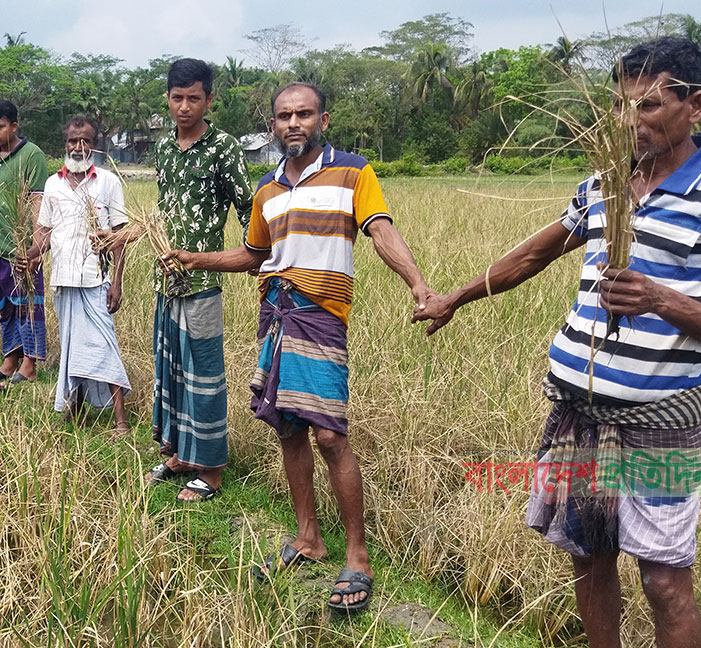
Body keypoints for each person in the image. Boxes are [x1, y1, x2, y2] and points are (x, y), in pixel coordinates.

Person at [415, 37, 701, 648]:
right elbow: (536, 252)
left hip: (658, 419)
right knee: (588, 556)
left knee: (665, 580)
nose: (628, 122)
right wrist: (455, 297)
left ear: (696, 106)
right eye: (620, 106)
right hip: (577, 406)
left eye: (647, 107)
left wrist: (661, 300)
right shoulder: (603, 184)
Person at [162, 82, 433, 612]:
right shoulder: (267, 190)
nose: (293, 123)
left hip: (320, 317)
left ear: (323, 120)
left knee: (330, 436)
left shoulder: (354, 172)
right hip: (276, 314)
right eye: (284, 115)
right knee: (288, 428)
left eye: (303, 114)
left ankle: (357, 556)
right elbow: (251, 255)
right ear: (272, 125)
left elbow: (382, 232)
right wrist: (195, 259)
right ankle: (308, 538)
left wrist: (418, 284)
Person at [145, 58, 254, 502]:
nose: (185, 107)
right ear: (167, 100)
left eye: (194, 98)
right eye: (177, 98)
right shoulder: (164, 149)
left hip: (202, 283)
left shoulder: (223, 147)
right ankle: (179, 454)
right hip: (165, 281)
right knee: (170, 371)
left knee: (204, 375)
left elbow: (250, 212)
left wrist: (247, 260)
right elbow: (163, 210)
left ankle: (210, 470)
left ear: (209, 99)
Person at [28, 116, 131, 432]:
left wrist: (117, 281)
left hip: (96, 280)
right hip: (63, 279)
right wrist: (28, 256)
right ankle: (72, 409)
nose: (78, 146)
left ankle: (121, 421)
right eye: (73, 141)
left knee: (104, 346)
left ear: (94, 145)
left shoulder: (108, 182)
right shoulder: (52, 183)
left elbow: (120, 235)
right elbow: (44, 234)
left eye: (85, 141)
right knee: (72, 347)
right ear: (66, 144)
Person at [0, 99, 48, 386]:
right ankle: (10, 359)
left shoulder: (32, 155)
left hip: (16, 249)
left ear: (14, 126)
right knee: (5, 307)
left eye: (0, 126)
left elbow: (37, 202)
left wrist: (35, 248)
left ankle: (29, 364)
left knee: (27, 306)